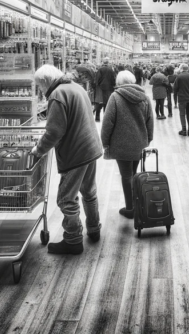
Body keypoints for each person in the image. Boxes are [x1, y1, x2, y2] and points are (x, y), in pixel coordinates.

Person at [31, 65, 103, 254]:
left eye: (39, 86)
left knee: (66, 198)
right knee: (89, 191)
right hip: (90, 147)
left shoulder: (57, 95)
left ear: (46, 81)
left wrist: (38, 150)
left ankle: (73, 240)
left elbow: (54, 131)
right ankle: (94, 229)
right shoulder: (76, 87)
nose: (40, 90)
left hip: (76, 152)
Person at [100, 71, 154, 219]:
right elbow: (150, 120)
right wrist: (148, 138)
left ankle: (130, 208)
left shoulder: (115, 97)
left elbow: (107, 122)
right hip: (139, 142)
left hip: (120, 144)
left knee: (126, 176)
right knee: (134, 173)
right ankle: (136, 204)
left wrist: (105, 142)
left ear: (119, 82)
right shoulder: (144, 97)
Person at [172, 62, 189, 136]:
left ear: (181, 69)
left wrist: (175, 99)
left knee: (182, 114)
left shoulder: (179, 77)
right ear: (187, 68)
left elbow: (175, 88)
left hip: (182, 98)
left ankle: (184, 130)